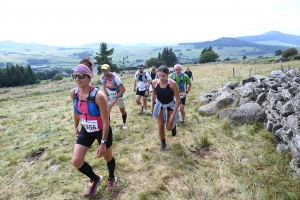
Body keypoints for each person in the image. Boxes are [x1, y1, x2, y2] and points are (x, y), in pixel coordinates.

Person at [70, 58, 117, 197]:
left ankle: (111, 177)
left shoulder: (99, 96)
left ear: (89, 77)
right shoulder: (74, 93)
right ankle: (95, 178)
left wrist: (103, 143)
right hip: (86, 128)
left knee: (108, 157)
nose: (77, 79)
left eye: (81, 76)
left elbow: (106, 121)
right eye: (75, 76)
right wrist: (76, 127)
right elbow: (76, 111)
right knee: (76, 161)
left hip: (102, 130)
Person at [151, 65, 180, 151]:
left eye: (163, 75)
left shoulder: (172, 84)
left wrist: (174, 113)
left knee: (168, 128)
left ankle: (174, 127)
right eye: (159, 75)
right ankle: (163, 143)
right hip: (160, 105)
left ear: (167, 74)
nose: (161, 77)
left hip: (170, 106)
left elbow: (178, 100)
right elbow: (153, 95)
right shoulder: (155, 83)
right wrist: (152, 107)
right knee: (160, 127)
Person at [100, 64, 128, 129]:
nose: (104, 72)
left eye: (106, 70)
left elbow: (123, 89)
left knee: (122, 111)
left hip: (119, 94)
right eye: (102, 71)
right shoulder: (102, 78)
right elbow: (104, 87)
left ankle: (124, 123)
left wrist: (116, 98)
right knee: (107, 112)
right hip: (110, 95)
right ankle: (108, 127)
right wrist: (106, 95)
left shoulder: (115, 77)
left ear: (109, 70)